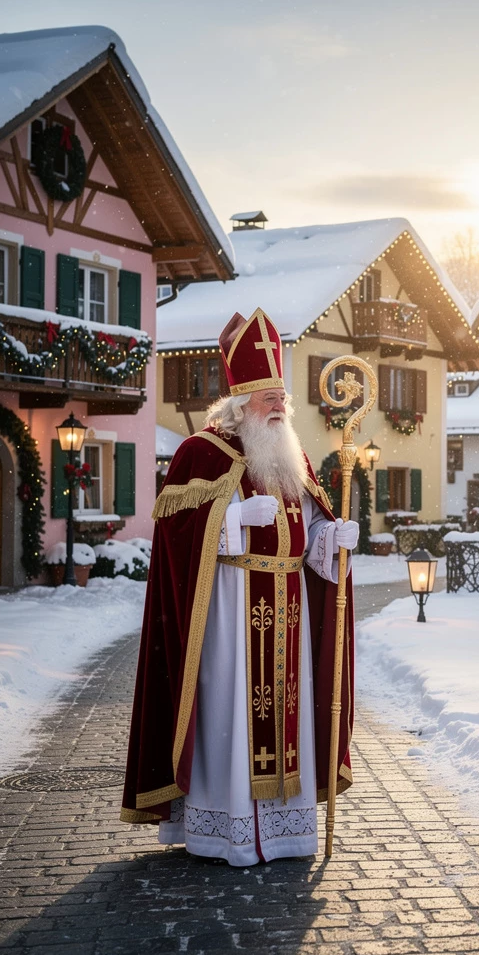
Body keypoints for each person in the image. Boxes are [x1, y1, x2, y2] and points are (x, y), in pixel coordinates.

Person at [121, 309, 359, 864]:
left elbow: (310, 526)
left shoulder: (292, 455)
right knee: (231, 711)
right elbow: (177, 536)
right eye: (267, 395)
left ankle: (284, 831)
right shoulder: (201, 453)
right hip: (229, 607)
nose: (279, 404)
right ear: (238, 401)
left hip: (290, 604)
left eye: (282, 394)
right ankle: (227, 829)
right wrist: (228, 520)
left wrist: (331, 537)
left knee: (289, 711)